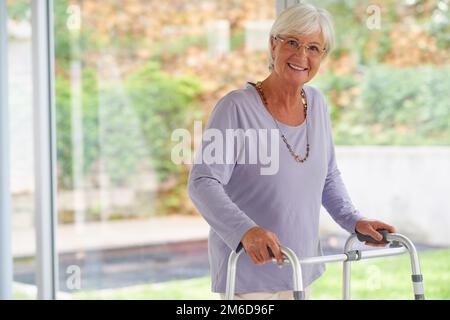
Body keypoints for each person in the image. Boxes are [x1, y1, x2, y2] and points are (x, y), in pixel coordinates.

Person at [188, 3, 395, 300]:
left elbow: (327, 176)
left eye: (313, 47)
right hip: (248, 278)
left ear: (322, 56)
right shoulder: (235, 108)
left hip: (300, 268)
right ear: (274, 44)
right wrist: (246, 231)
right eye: (293, 43)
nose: (301, 56)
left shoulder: (317, 104)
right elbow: (202, 182)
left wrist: (354, 221)